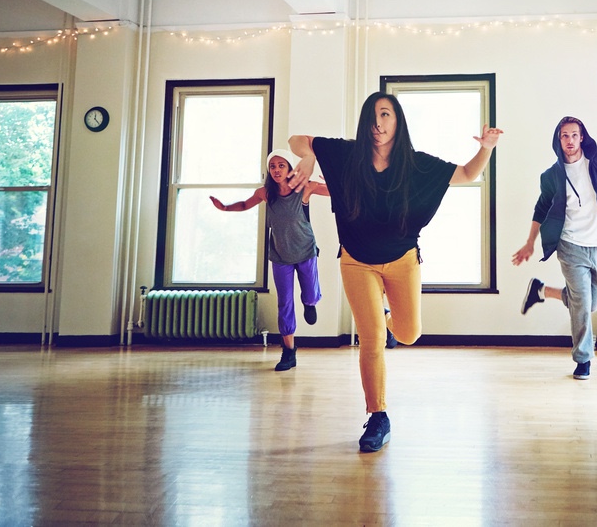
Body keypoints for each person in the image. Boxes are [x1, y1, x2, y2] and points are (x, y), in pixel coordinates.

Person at [287, 92, 502, 453]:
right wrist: (309, 155)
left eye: (385, 114)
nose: (378, 123)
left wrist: (487, 148)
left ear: (398, 121)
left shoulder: (416, 165)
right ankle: (378, 416)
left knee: (408, 333)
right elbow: (296, 140)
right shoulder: (345, 154)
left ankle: (386, 315)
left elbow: (467, 174)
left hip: (403, 260)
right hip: (356, 260)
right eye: (372, 116)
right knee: (371, 340)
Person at [512, 116, 597, 379]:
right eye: (565, 135)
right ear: (558, 140)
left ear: (582, 137)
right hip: (570, 246)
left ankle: (542, 291)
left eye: (574, 135)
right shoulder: (551, 176)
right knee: (582, 303)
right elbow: (541, 209)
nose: (570, 140)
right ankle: (583, 359)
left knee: (592, 302)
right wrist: (529, 242)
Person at [210, 149, 328, 372]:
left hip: (305, 251)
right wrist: (224, 207)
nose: (276, 170)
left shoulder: (305, 187)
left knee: (311, 294)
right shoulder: (265, 193)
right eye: (272, 166)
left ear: (290, 168)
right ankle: (289, 351)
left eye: (281, 165)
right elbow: (244, 204)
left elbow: (335, 193)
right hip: (280, 255)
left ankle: (309, 302)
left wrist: (332, 179)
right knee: (285, 303)